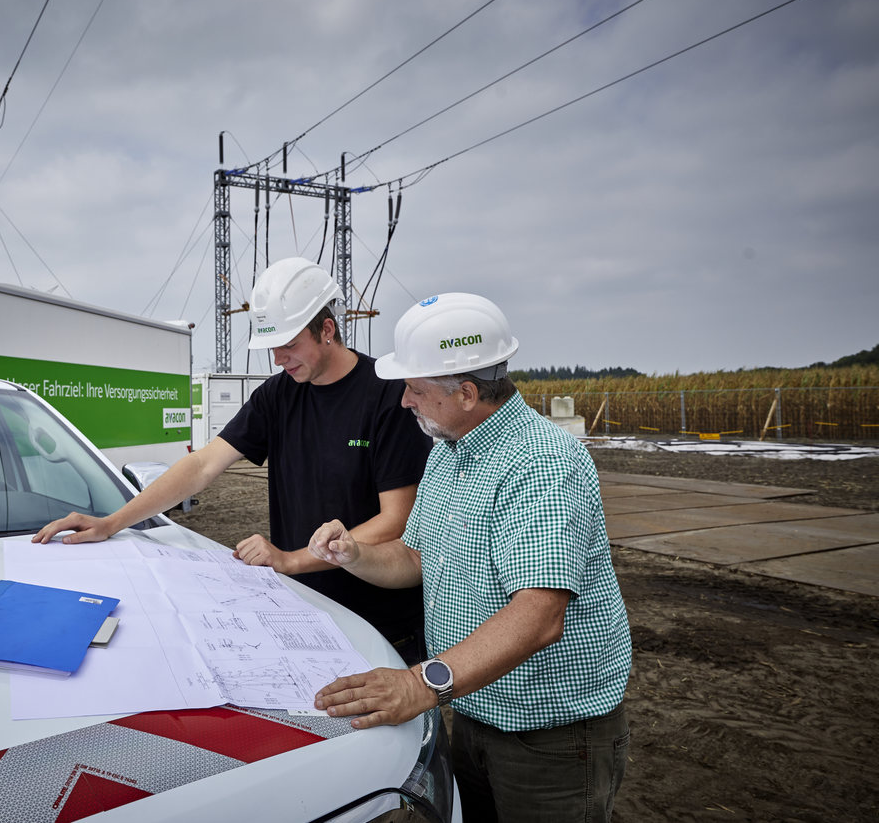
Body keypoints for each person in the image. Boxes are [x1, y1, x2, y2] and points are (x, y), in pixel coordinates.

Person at [308, 292, 632, 822]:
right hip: (475, 705)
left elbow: (539, 614)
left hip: (549, 735)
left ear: (464, 392)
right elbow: (417, 556)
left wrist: (418, 684)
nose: (404, 401)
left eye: (413, 388)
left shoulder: (542, 463)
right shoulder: (449, 448)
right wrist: (355, 555)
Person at [33, 257, 432, 663]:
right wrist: (112, 522)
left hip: (381, 628)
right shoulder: (278, 396)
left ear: (326, 329)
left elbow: (396, 520)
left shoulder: (387, 396)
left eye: (289, 345)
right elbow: (203, 465)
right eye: (272, 347)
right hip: (308, 616)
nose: (278, 358)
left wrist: (290, 560)